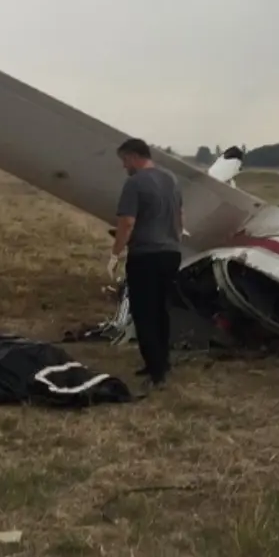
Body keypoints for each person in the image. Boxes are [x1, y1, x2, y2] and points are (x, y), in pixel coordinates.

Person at [110, 138, 183, 387]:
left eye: (124, 160)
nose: (123, 166)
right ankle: (162, 361)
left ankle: (156, 372)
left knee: (144, 313)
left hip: (146, 256)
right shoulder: (171, 179)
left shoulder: (134, 183)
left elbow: (127, 222)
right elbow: (179, 217)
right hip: (171, 253)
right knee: (162, 310)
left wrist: (115, 252)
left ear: (132, 156)